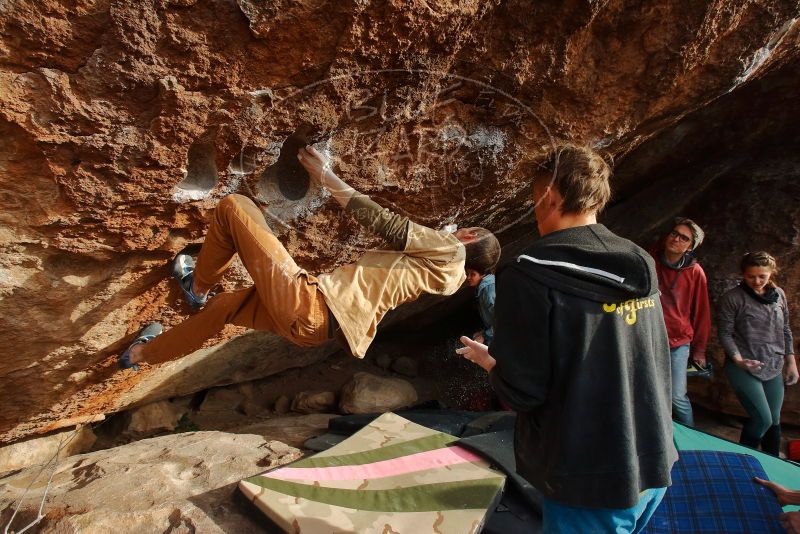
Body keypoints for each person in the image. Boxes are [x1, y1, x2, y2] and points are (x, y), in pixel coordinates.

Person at [457, 144, 677, 533]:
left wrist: (491, 362)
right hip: (652, 456)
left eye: (534, 200)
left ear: (551, 197)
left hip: (588, 477)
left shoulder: (530, 274)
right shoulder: (639, 260)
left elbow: (524, 392)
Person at [120, 145, 500, 368]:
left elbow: (386, 223)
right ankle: (139, 355)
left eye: (465, 230)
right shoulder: (446, 277)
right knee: (225, 308)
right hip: (315, 331)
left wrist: (326, 175)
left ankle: (196, 286)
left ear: (467, 237)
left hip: (311, 305)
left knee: (235, 206)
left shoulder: (449, 251)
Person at [717, 251, 798, 454]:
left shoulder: (778, 294)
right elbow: (725, 334)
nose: (756, 281)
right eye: (750, 276)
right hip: (742, 364)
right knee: (763, 418)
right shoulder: (733, 298)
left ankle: (772, 462)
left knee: (774, 419)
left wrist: (791, 361)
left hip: (773, 362)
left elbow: (785, 329)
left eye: (762, 276)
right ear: (743, 274)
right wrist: (738, 360)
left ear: (771, 273)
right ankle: (744, 460)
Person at [651, 217, 711, 427]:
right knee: (651, 394)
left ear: (690, 247)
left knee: (677, 397)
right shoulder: (650, 260)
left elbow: (702, 313)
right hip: (648, 338)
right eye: (674, 233)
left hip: (678, 342)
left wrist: (699, 351)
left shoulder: (695, 272)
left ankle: (692, 441)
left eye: (683, 238)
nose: (675, 239)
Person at [465, 266, 496, 346]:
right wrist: (483, 332)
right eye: (467, 273)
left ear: (482, 274)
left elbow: (504, 321)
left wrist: (484, 335)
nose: (468, 277)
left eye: (472, 274)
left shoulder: (489, 292)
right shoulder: (482, 288)